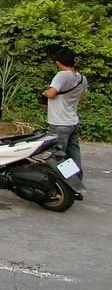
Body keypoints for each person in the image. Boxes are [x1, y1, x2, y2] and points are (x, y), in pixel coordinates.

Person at [40, 47, 87, 197]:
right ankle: (77, 180)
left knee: (57, 157)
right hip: (73, 122)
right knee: (74, 155)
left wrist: (45, 93)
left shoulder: (61, 75)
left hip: (59, 123)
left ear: (59, 62)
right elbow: (81, 97)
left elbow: (52, 93)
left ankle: (71, 188)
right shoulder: (81, 78)